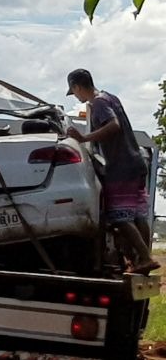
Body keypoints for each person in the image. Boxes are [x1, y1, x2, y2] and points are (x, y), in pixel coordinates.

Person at [64, 68, 159, 274]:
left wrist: (84, 139)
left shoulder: (98, 103)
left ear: (77, 87)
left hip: (121, 166)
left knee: (120, 216)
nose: (77, 97)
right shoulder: (111, 97)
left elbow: (113, 126)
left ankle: (144, 258)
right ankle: (143, 260)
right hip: (136, 162)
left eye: (75, 92)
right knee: (138, 213)